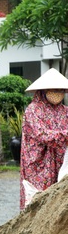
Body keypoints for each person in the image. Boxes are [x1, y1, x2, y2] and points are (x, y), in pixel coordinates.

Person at [20, 68, 68, 209]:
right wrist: (65, 134)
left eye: (60, 90)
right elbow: (42, 135)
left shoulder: (65, 111)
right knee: (38, 199)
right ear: (43, 90)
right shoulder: (33, 110)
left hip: (61, 160)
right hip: (39, 163)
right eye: (53, 90)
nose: (57, 93)